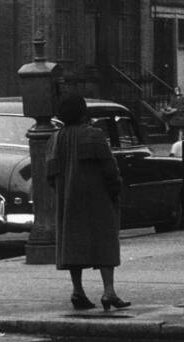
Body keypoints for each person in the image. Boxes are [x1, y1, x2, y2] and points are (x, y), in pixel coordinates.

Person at [45, 92, 130, 312]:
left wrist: (62, 191)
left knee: (73, 244)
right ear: (83, 112)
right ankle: (108, 291)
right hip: (97, 197)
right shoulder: (94, 135)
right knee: (105, 242)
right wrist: (115, 190)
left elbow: (49, 175)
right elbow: (110, 168)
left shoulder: (55, 139)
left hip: (69, 199)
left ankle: (78, 291)